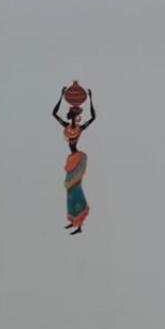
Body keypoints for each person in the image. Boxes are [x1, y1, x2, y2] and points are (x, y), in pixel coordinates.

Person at [53, 83, 96, 235]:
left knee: (76, 189)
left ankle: (79, 224)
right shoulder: (68, 126)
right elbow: (54, 113)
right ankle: (74, 221)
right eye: (70, 116)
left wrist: (91, 98)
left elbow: (93, 117)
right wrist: (61, 96)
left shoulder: (78, 128)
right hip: (72, 158)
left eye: (72, 115)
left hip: (78, 158)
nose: (70, 117)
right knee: (70, 191)